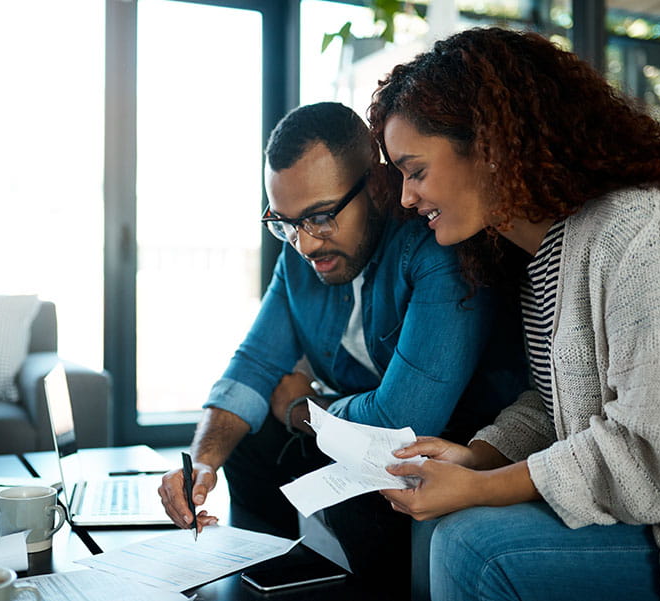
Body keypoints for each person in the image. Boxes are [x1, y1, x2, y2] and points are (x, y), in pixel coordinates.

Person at [368, 27, 660, 601]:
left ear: (488, 144)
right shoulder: (545, 253)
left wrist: (479, 488)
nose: (408, 198)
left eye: (415, 171)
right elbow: (557, 404)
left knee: (470, 543)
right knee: (431, 529)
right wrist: (476, 456)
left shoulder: (644, 234)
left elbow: (652, 451)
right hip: (625, 507)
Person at [156, 101, 528, 592]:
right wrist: (202, 459)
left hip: (444, 447)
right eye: (285, 223)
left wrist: (303, 409)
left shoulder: (435, 248)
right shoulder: (299, 256)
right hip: (354, 435)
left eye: (321, 216)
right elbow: (253, 365)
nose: (305, 244)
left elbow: (403, 418)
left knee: (357, 474)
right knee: (244, 438)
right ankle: (259, 577)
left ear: (376, 186)